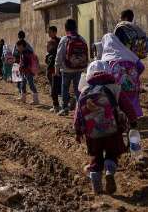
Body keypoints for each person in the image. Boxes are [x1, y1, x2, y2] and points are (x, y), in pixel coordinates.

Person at [74, 60, 137, 195]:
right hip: (112, 130)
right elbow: (127, 106)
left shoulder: (85, 91)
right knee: (112, 153)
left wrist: (78, 131)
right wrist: (133, 122)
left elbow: (78, 114)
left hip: (92, 133)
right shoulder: (115, 87)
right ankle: (109, 170)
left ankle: (96, 182)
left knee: (96, 157)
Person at [102, 21, 146, 119]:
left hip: (117, 88)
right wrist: (134, 76)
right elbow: (141, 67)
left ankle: (121, 119)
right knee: (133, 100)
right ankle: (134, 117)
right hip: (132, 86)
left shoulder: (106, 58)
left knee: (119, 102)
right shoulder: (128, 53)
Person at [55, 19, 88, 116]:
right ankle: (80, 110)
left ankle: (64, 108)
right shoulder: (82, 39)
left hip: (67, 69)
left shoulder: (64, 39)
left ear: (65, 28)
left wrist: (57, 67)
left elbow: (59, 55)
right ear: (76, 28)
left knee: (64, 88)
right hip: (79, 68)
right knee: (78, 89)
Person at [16, 40, 39, 104]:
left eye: (18, 47)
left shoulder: (25, 53)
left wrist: (21, 67)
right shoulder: (24, 52)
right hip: (25, 72)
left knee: (31, 84)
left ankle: (36, 100)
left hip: (28, 72)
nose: (17, 48)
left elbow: (26, 63)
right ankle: (23, 98)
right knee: (23, 84)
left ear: (21, 46)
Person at [13, 31, 33, 101]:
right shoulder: (27, 44)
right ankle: (22, 95)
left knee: (20, 80)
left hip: (20, 64)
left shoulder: (18, 44)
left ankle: (22, 94)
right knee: (23, 81)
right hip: (24, 65)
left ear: (18, 36)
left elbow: (14, 53)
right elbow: (32, 52)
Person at [46, 26, 61, 112]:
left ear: (55, 32)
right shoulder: (60, 41)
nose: (48, 33)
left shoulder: (52, 42)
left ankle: (56, 106)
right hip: (58, 67)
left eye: (50, 32)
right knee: (58, 86)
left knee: (53, 87)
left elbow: (50, 55)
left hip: (52, 67)